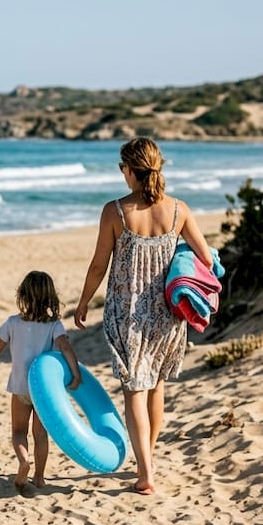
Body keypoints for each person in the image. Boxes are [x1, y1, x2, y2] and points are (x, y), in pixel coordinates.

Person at [72, 137, 214, 495]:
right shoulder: (179, 210)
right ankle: (146, 460)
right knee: (156, 386)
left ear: (131, 170)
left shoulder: (115, 211)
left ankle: (146, 473)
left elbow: (98, 265)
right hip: (167, 314)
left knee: (134, 388)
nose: (122, 174)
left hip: (127, 313)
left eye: (122, 168)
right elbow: (207, 260)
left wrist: (83, 302)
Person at [0, 270, 82, 497]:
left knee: (19, 431)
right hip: (45, 391)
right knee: (40, 435)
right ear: (50, 297)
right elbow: (66, 349)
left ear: (22, 295)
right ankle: (39, 477)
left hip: (21, 387)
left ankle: (24, 460)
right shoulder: (54, 325)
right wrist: (76, 373)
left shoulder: (13, 323)